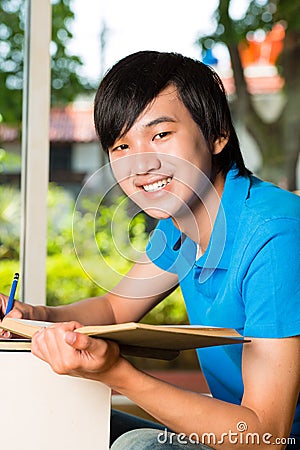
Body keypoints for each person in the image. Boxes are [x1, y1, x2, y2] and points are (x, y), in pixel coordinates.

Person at [1, 51, 300, 449]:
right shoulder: (180, 225)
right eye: (121, 146)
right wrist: (33, 316)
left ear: (216, 135)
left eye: (160, 135)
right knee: (50, 415)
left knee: (140, 445)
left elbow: (265, 435)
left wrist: (117, 373)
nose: (140, 164)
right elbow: (113, 309)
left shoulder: (276, 234)